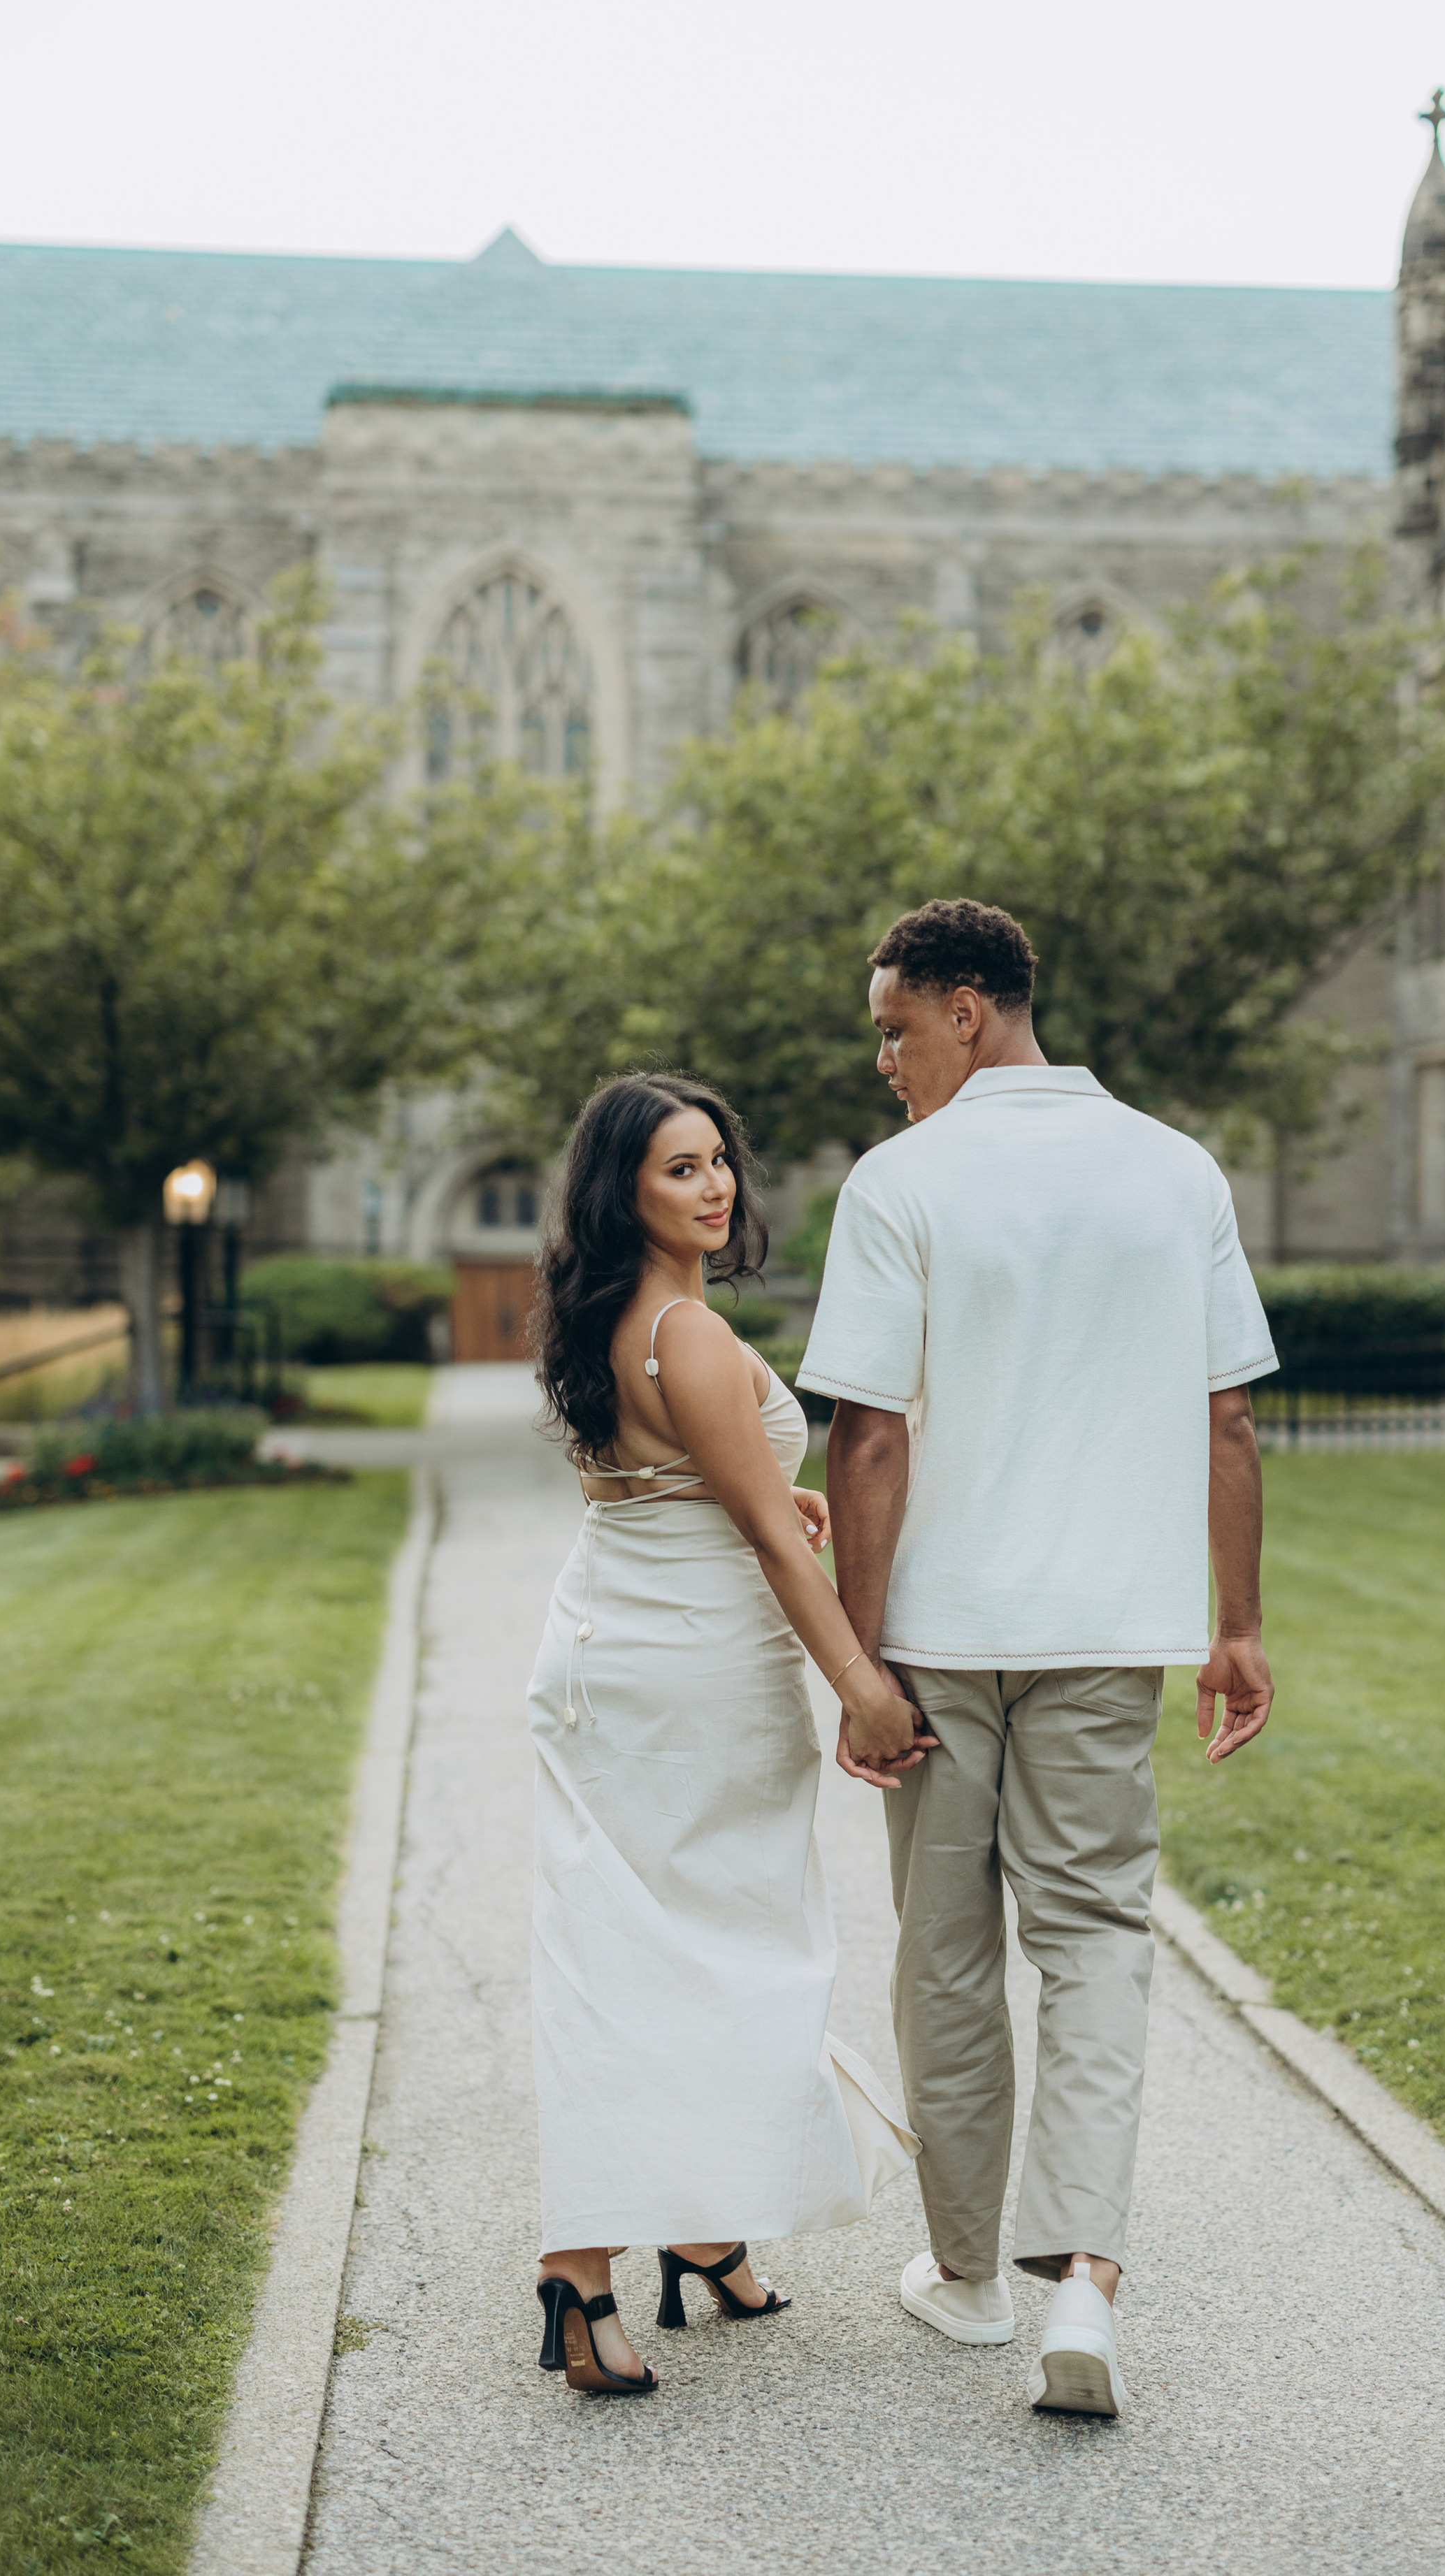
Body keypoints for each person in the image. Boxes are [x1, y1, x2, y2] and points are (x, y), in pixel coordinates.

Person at [796, 898, 1278, 2419]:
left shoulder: (902, 1183)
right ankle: (1085, 2281)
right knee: (1093, 1941)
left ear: (963, 1009)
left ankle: (966, 2279)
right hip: (1105, 1637)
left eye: (891, 1025)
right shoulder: (1173, 1169)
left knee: (941, 1947)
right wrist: (1238, 1624)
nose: (883, 1059)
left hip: (941, 1636)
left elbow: (866, 1436)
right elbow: (1227, 1419)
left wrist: (862, 1661)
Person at [525, 1071, 921, 2398]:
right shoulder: (686, 1334)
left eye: (718, 1163)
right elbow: (755, 1528)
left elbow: (671, 1488)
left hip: (603, 1657)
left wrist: (775, 1498)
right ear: (624, 1191)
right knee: (724, 1957)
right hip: (692, 1685)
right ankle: (581, 2273)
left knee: (623, 1954)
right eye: (680, 1170)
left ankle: (695, 2233)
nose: (715, 1187)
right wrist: (861, 1679)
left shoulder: (602, 1320)